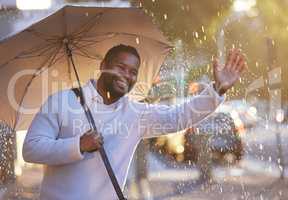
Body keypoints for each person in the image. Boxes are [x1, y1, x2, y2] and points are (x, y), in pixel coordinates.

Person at [22, 44, 246, 200]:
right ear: (103, 65)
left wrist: (218, 89)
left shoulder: (135, 113)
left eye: (133, 72)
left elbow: (179, 116)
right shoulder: (61, 101)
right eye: (120, 67)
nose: (127, 76)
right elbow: (31, 149)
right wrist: (78, 145)